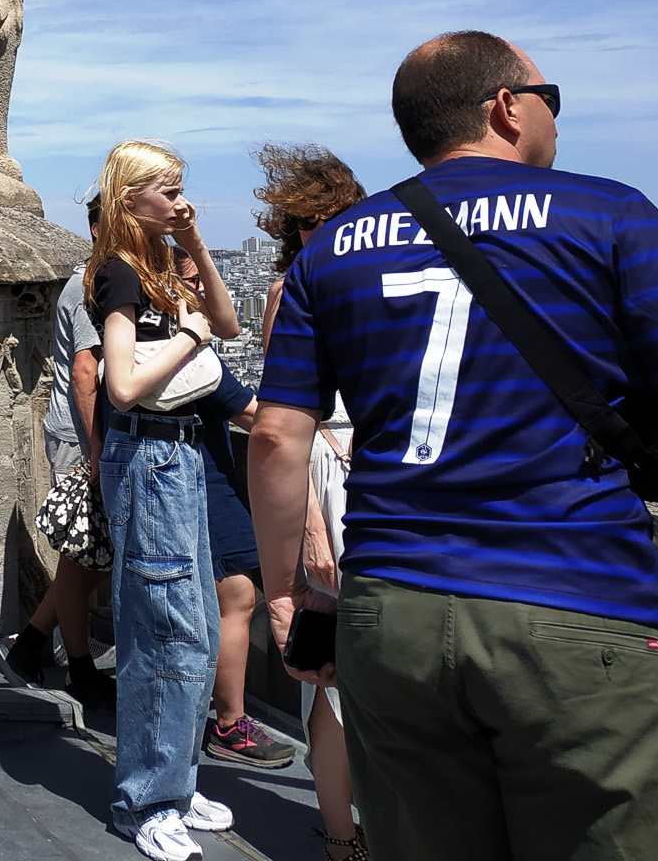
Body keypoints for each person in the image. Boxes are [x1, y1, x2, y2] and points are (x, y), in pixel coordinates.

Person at [247, 31, 658, 861]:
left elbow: (277, 436)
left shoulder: (334, 249)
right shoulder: (609, 213)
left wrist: (286, 591)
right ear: (507, 107)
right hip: (578, 597)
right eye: (549, 98)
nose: (556, 117)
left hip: (391, 613)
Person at [87, 139, 242, 861]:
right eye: (168, 190)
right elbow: (121, 386)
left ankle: (175, 783)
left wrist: (196, 246)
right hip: (150, 456)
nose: (181, 200)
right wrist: (186, 337)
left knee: (197, 625)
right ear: (131, 199)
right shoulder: (119, 272)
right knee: (164, 631)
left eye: (182, 187)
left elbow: (229, 325)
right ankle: (145, 801)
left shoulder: (157, 264)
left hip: (178, 455)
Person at [253, 143, 371, 861]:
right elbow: (285, 425)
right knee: (332, 673)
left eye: (327, 218)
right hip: (330, 472)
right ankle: (341, 836)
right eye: (303, 222)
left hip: (368, 471)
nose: (315, 233)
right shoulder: (289, 292)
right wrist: (312, 531)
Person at [171, 250, 295, 773]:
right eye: (192, 281)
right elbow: (250, 413)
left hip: (189, 481)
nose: (203, 289)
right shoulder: (191, 353)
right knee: (238, 595)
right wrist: (320, 432)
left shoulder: (164, 344)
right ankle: (229, 722)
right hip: (206, 485)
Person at [4, 195, 112, 713]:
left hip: (83, 434)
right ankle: (80, 669)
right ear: (96, 228)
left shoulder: (98, 280)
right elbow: (87, 371)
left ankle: (31, 643)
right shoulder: (89, 284)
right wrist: (97, 451)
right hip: (81, 437)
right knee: (82, 557)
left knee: (86, 557)